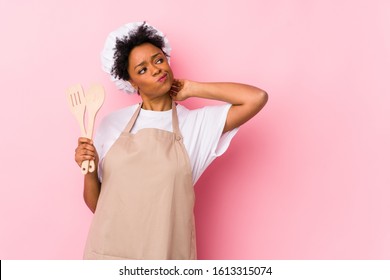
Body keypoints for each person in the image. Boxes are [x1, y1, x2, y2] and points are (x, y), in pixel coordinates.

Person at [74, 21, 268, 260]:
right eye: (142, 69)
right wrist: (88, 169)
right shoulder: (110, 124)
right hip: (108, 256)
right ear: (132, 82)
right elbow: (98, 206)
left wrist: (192, 88)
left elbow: (256, 98)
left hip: (164, 257)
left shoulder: (196, 125)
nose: (155, 69)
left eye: (158, 60)